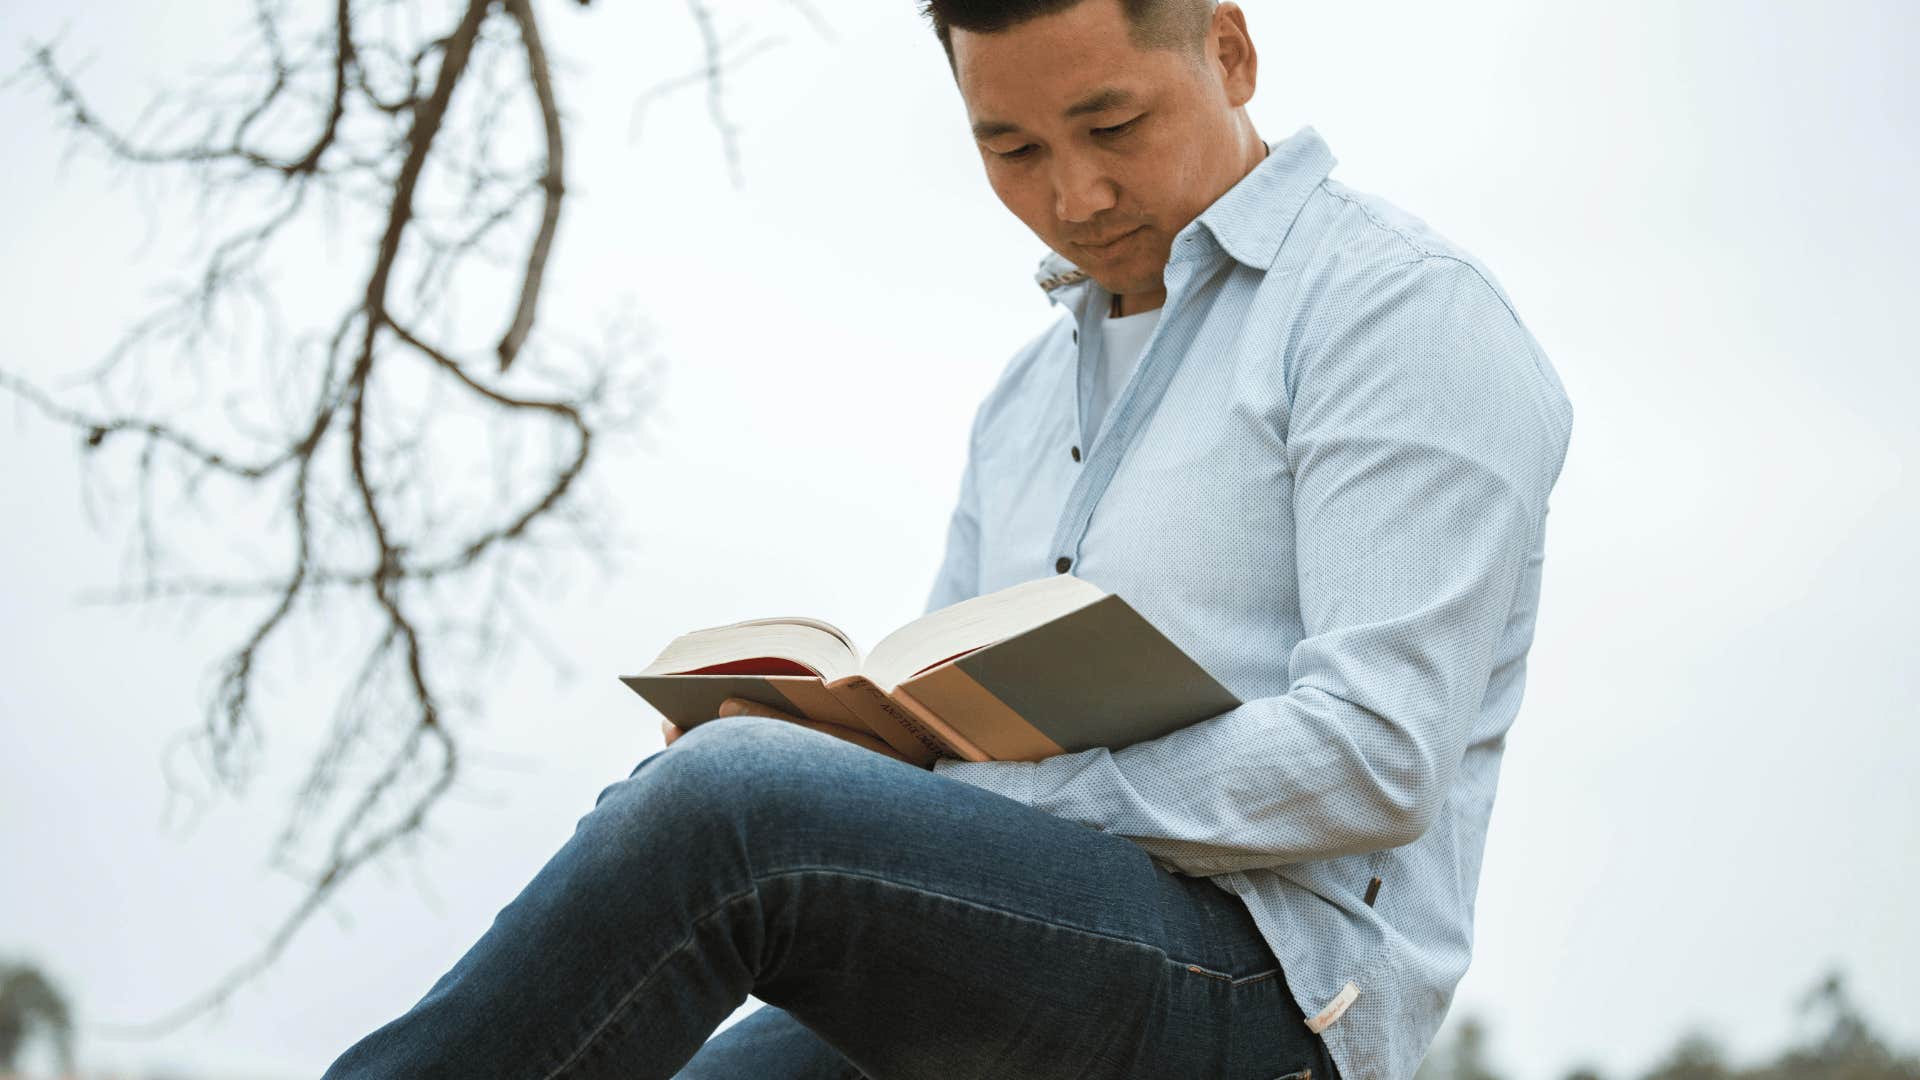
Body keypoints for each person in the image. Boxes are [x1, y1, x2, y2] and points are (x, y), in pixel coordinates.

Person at [321, 0, 1574, 1075]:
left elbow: (1376, 754)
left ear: (1231, 53)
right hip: (1028, 941)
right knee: (714, 826)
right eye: (1013, 147)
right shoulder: (1024, 401)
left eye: (1113, 126)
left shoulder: (1398, 311)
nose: (1073, 194)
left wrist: (914, 794)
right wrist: (839, 747)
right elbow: (951, 735)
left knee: (728, 811)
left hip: (1275, 1003)